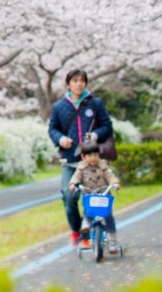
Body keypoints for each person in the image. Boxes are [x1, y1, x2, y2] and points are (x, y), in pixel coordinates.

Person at [48, 69, 112, 247]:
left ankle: (96, 232)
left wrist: (96, 135)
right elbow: (52, 129)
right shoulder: (59, 107)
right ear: (68, 83)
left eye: (82, 80)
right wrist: (61, 139)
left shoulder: (95, 103)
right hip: (70, 161)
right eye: (75, 80)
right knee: (69, 196)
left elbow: (107, 126)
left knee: (96, 196)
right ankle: (76, 230)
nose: (79, 84)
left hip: (93, 160)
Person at [68, 141, 122, 252]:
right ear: (84, 156)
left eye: (96, 155)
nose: (93, 158)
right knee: (87, 211)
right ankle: (86, 223)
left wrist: (115, 183)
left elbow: (110, 176)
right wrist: (73, 184)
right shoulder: (81, 167)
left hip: (103, 195)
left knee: (108, 217)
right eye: (90, 155)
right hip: (89, 195)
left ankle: (112, 241)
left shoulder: (103, 166)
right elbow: (76, 177)